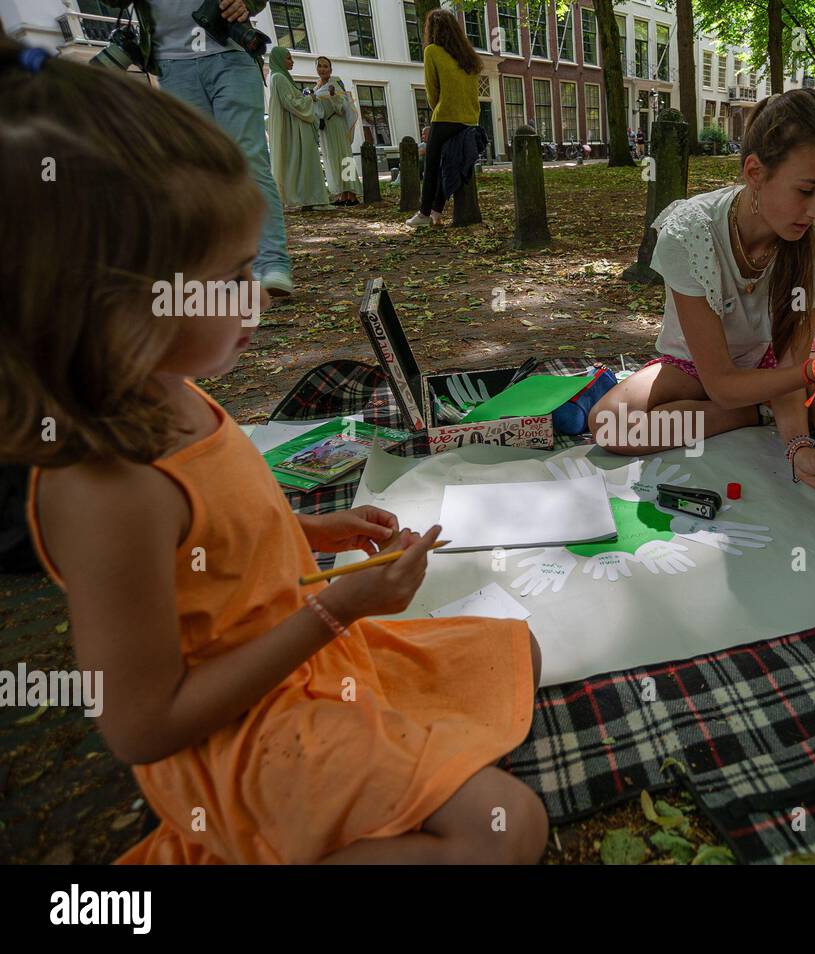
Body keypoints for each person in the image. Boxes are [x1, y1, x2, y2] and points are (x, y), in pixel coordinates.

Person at [0, 42, 547, 864]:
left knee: (517, 647)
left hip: (310, 660)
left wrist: (311, 532)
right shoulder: (102, 487)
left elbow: (213, 550)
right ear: (110, 303)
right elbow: (144, 726)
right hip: (246, 728)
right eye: (231, 276)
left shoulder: (174, 388)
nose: (256, 298)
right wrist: (337, 608)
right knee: (508, 832)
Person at [588, 88, 815, 500]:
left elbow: (790, 356)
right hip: (699, 369)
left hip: (782, 366)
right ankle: (757, 413)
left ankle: (771, 411)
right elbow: (722, 385)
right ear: (755, 173)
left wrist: (798, 448)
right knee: (611, 424)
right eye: (806, 190)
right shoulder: (690, 233)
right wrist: (814, 376)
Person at [105, 0, 295, 297]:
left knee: (247, 159)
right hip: (171, 63)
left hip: (230, 51)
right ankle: (226, 269)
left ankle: (272, 264)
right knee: (202, 171)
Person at [405, 9, 483, 227]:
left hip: (445, 116)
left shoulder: (432, 52)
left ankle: (423, 214)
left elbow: (432, 92)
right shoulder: (469, 57)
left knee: (431, 167)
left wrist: (438, 110)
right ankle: (437, 212)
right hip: (470, 120)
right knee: (449, 163)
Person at [265, 46, 330, 211]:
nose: (292, 61)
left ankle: (308, 197)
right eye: (288, 58)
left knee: (302, 162)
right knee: (304, 161)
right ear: (279, 60)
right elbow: (290, 103)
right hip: (295, 129)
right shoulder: (279, 77)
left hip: (297, 127)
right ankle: (309, 198)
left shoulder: (281, 77)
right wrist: (309, 99)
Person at [312, 56, 360, 206]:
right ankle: (341, 194)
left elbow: (342, 107)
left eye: (325, 66)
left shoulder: (336, 82)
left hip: (337, 124)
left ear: (331, 69)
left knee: (344, 156)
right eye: (320, 66)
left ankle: (352, 194)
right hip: (325, 127)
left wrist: (333, 96)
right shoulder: (316, 87)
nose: (322, 69)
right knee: (332, 159)